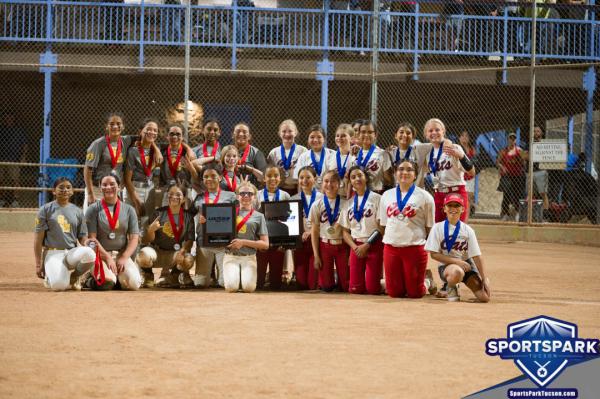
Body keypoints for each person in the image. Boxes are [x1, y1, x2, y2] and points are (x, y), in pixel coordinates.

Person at [378, 160, 435, 299]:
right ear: (395, 173)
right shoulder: (387, 195)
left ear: (415, 175)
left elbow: (429, 226)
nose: (405, 172)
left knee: (415, 293)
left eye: (409, 170)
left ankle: (427, 281)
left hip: (414, 248)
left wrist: (423, 245)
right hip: (391, 248)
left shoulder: (425, 196)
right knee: (395, 293)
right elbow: (383, 224)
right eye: (401, 169)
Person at [84, 112, 162, 211]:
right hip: (98, 190)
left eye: (118, 123)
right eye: (112, 124)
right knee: (92, 222)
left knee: (112, 223)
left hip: (115, 190)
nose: (115, 126)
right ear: (106, 126)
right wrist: (91, 194)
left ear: (123, 126)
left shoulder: (126, 140)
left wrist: (157, 149)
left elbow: (146, 136)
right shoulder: (98, 144)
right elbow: (87, 169)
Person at [425, 193, 491, 302]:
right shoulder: (437, 228)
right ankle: (450, 286)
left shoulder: (468, 230)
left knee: (484, 298)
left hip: (467, 265)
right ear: (444, 209)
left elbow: (477, 256)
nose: (453, 208)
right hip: (448, 267)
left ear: (463, 209)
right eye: (449, 205)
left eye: (457, 206)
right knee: (457, 272)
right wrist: (457, 262)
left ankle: (454, 285)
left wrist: (484, 278)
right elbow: (434, 254)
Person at [33, 177, 96, 291]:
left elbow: (82, 236)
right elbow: (38, 240)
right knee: (59, 286)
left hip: (71, 252)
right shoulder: (45, 210)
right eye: (61, 187)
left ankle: (75, 276)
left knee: (90, 253)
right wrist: (39, 264)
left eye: (68, 187)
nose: (65, 190)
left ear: (72, 191)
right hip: (53, 252)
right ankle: (51, 275)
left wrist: (86, 242)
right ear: (54, 191)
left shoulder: (77, 211)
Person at [85, 174, 142, 290]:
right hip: (100, 255)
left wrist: (124, 257)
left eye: (112, 184)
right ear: (100, 188)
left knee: (134, 284)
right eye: (104, 185)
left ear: (119, 187)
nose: (108, 187)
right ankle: (89, 280)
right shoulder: (93, 209)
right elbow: (91, 240)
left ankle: (116, 278)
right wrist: (107, 257)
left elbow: (134, 238)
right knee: (107, 283)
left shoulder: (129, 209)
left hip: (120, 254)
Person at [137, 183, 196, 289]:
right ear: (167, 196)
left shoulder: (188, 216)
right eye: (171, 194)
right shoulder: (158, 213)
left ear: (183, 199)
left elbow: (190, 240)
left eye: (178, 194)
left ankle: (174, 276)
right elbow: (145, 240)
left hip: (174, 254)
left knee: (188, 259)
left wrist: (182, 251)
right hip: (157, 253)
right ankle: (149, 276)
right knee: (142, 255)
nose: (174, 197)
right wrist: (151, 230)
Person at [417, 118, 475, 223]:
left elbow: (472, 172)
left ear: (443, 131)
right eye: (430, 131)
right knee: (438, 229)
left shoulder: (454, 147)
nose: (434, 132)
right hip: (438, 194)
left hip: (456, 191)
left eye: (437, 130)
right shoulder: (427, 152)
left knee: (455, 229)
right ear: (426, 134)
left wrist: (461, 156)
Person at [340, 166, 383, 295]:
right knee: (355, 289)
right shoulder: (348, 203)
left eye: (360, 175)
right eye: (353, 177)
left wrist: (367, 244)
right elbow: (345, 231)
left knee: (372, 289)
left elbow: (382, 227)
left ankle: (384, 282)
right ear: (350, 182)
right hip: (356, 247)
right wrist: (354, 247)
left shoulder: (377, 199)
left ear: (366, 178)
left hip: (374, 244)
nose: (357, 179)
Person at [192, 165, 237, 288]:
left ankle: (221, 277)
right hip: (204, 244)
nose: (209, 179)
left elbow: (239, 216)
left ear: (220, 177)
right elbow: (188, 217)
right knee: (200, 283)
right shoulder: (199, 198)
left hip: (224, 244)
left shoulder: (231, 196)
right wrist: (199, 218)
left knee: (226, 284)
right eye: (205, 177)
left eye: (213, 176)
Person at [222, 182, 269, 293]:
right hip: (231, 256)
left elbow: (265, 244)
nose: (246, 196)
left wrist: (243, 242)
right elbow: (218, 234)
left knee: (248, 288)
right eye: (242, 193)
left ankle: (241, 278)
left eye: (249, 193)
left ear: (254, 197)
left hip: (249, 257)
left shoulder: (259, 216)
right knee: (231, 288)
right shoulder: (228, 212)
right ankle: (235, 277)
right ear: (237, 196)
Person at [311, 170, 349, 292]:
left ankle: (340, 278)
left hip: (342, 245)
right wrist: (316, 256)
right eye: (326, 181)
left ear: (339, 184)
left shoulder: (346, 204)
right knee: (326, 287)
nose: (329, 184)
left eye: (333, 181)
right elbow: (315, 231)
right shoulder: (317, 205)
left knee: (346, 286)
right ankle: (332, 279)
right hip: (325, 245)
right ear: (322, 184)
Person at [256, 164, 291, 290]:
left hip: (278, 240)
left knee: (276, 283)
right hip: (262, 240)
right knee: (258, 281)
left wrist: (285, 242)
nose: (272, 178)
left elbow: (288, 219)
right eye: (269, 176)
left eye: (275, 175)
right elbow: (254, 219)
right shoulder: (257, 195)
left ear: (280, 178)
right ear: (264, 178)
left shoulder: (285, 196)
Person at [123, 118, 162, 223]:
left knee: (147, 223)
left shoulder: (156, 150)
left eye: (155, 130)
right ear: (141, 131)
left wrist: (157, 150)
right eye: (149, 129)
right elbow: (127, 180)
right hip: (134, 189)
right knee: (131, 222)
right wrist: (136, 200)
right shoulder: (132, 151)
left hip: (150, 189)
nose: (152, 132)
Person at [290, 166, 322, 290]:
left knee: (313, 284)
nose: (304, 180)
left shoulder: (321, 198)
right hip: (300, 242)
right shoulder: (293, 199)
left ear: (315, 179)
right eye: (301, 177)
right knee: (301, 284)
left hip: (316, 241)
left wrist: (311, 232)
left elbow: (324, 222)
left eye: (308, 177)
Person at [158, 123, 198, 206]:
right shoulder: (161, 151)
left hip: (185, 191)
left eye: (178, 134)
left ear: (182, 137)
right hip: (168, 191)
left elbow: (194, 174)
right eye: (171, 134)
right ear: (167, 136)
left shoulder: (188, 153)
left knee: (186, 217)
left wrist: (188, 148)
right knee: (166, 217)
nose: (175, 137)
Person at [266, 119, 308, 196]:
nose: (287, 134)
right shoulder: (273, 153)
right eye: (284, 131)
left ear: (295, 132)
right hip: (279, 189)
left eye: (290, 131)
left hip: (298, 188)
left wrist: (300, 194)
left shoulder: (303, 151)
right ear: (279, 133)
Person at [354, 120, 393, 193]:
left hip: (375, 193)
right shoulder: (355, 153)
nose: (366, 135)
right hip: (357, 194)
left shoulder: (383, 154)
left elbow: (388, 180)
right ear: (359, 134)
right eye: (363, 132)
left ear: (375, 135)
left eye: (370, 132)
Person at [293, 124, 334, 190]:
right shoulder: (303, 156)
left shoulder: (332, 154)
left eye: (319, 137)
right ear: (308, 139)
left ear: (324, 139)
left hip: (328, 193)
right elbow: (299, 181)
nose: (315, 140)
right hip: (310, 194)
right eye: (312, 137)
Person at [0, 111, 28, 208]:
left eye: (10, 118)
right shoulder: (1, 130)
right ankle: (2, 200)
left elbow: (24, 145)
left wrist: (23, 157)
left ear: (14, 119)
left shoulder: (18, 130)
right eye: (6, 118)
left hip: (14, 159)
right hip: (2, 158)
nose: (8, 120)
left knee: (15, 179)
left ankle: (15, 200)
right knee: (1, 180)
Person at [496, 132, 526, 221]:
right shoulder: (503, 151)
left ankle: (517, 212)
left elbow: (524, 162)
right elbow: (498, 162)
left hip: (517, 176)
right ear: (508, 140)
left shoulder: (519, 150)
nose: (512, 140)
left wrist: (522, 160)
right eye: (510, 138)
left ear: (515, 140)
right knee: (507, 195)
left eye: (514, 139)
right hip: (507, 176)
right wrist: (502, 167)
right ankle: (505, 213)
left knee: (517, 195)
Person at [522, 126, 550, 210]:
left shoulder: (545, 144)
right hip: (530, 171)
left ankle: (545, 213)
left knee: (543, 193)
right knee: (529, 194)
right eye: (534, 131)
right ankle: (530, 214)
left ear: (541, 133)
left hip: (541, 171)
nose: (535, 133)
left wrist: (532, 155)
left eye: (538, 131)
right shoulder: (529, 144)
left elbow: (548, 157)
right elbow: (525, 156)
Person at [325, 123, 355, 198]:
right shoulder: (330, 156)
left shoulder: (354, 156)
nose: (339, 138)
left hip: (350, 196)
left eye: (343, 136)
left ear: (351, 138)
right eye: (337, 135)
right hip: (334, 195)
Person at [232, 122, 267, 186]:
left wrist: (250, 169)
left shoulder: (256, 153)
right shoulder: (227, 151)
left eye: (244, 132)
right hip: (230, 190)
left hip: (250, 191)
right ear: (233, 135)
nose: (241, 134)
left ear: (249, 136)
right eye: (238, 131)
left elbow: (264, 177)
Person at [459, 130, 477, 217]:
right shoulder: (457, 148)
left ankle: (466, 219)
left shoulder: (472, 149)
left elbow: (474, 162)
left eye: (466, 136)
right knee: (460, 198)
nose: (464, 138)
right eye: (462, 136)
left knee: (469, 198)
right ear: (459, 138)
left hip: (469, 177)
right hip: (459, 177)